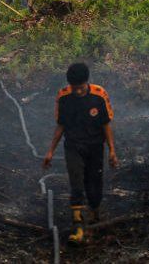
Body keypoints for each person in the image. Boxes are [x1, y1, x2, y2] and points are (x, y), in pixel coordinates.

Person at [42, 63, 119, 244]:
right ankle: (77, 224)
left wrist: (112, 151)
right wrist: (50, 151)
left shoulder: (99, 95)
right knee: (76, 183)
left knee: (94, 184)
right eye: (74, 88)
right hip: (73, 146)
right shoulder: (64, 97)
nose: (77, 91)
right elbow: (60, 125)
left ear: (87, 82)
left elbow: (105, 125)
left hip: (95, 147)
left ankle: (94, 212)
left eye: (81, 88)